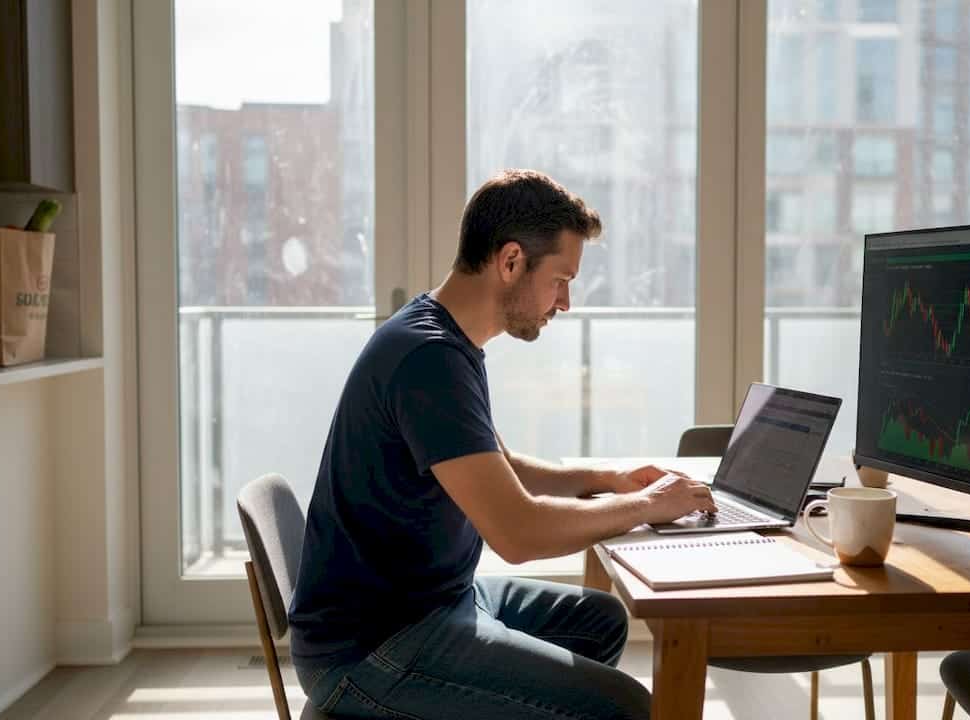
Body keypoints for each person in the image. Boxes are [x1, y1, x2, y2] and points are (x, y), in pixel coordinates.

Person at [289, 169, 717, 719]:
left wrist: (605, 479)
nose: (565, 302)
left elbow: (502, 467)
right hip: (372, 647)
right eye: (561, 279)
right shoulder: (429, 359)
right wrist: (648, 506)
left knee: (600, 621)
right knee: (630, 709)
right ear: (511, 261)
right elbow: (517, 531)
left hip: (438, 602)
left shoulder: (443, 336)